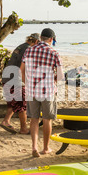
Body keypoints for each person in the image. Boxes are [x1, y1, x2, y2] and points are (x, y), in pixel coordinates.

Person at [21, 28, 64, 157]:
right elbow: (61, 76)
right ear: (51, 39)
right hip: (48, 91)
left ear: (40, 37)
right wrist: (54, 78)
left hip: (32, 91)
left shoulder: (29, 50)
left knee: (34, 119)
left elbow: (21, 70)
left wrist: (27, 83)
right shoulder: (54, 52)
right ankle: (45, 148)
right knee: (47, 120)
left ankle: (34, 147)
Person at [0, 33, 40, 134]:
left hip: (6, 78)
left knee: (13, 102)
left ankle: (6, 121)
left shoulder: (21, 46)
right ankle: (23, 129)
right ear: (35, 41)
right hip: (15, 79)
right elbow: (25, 68)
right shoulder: (28, 49)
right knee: (22, 104)